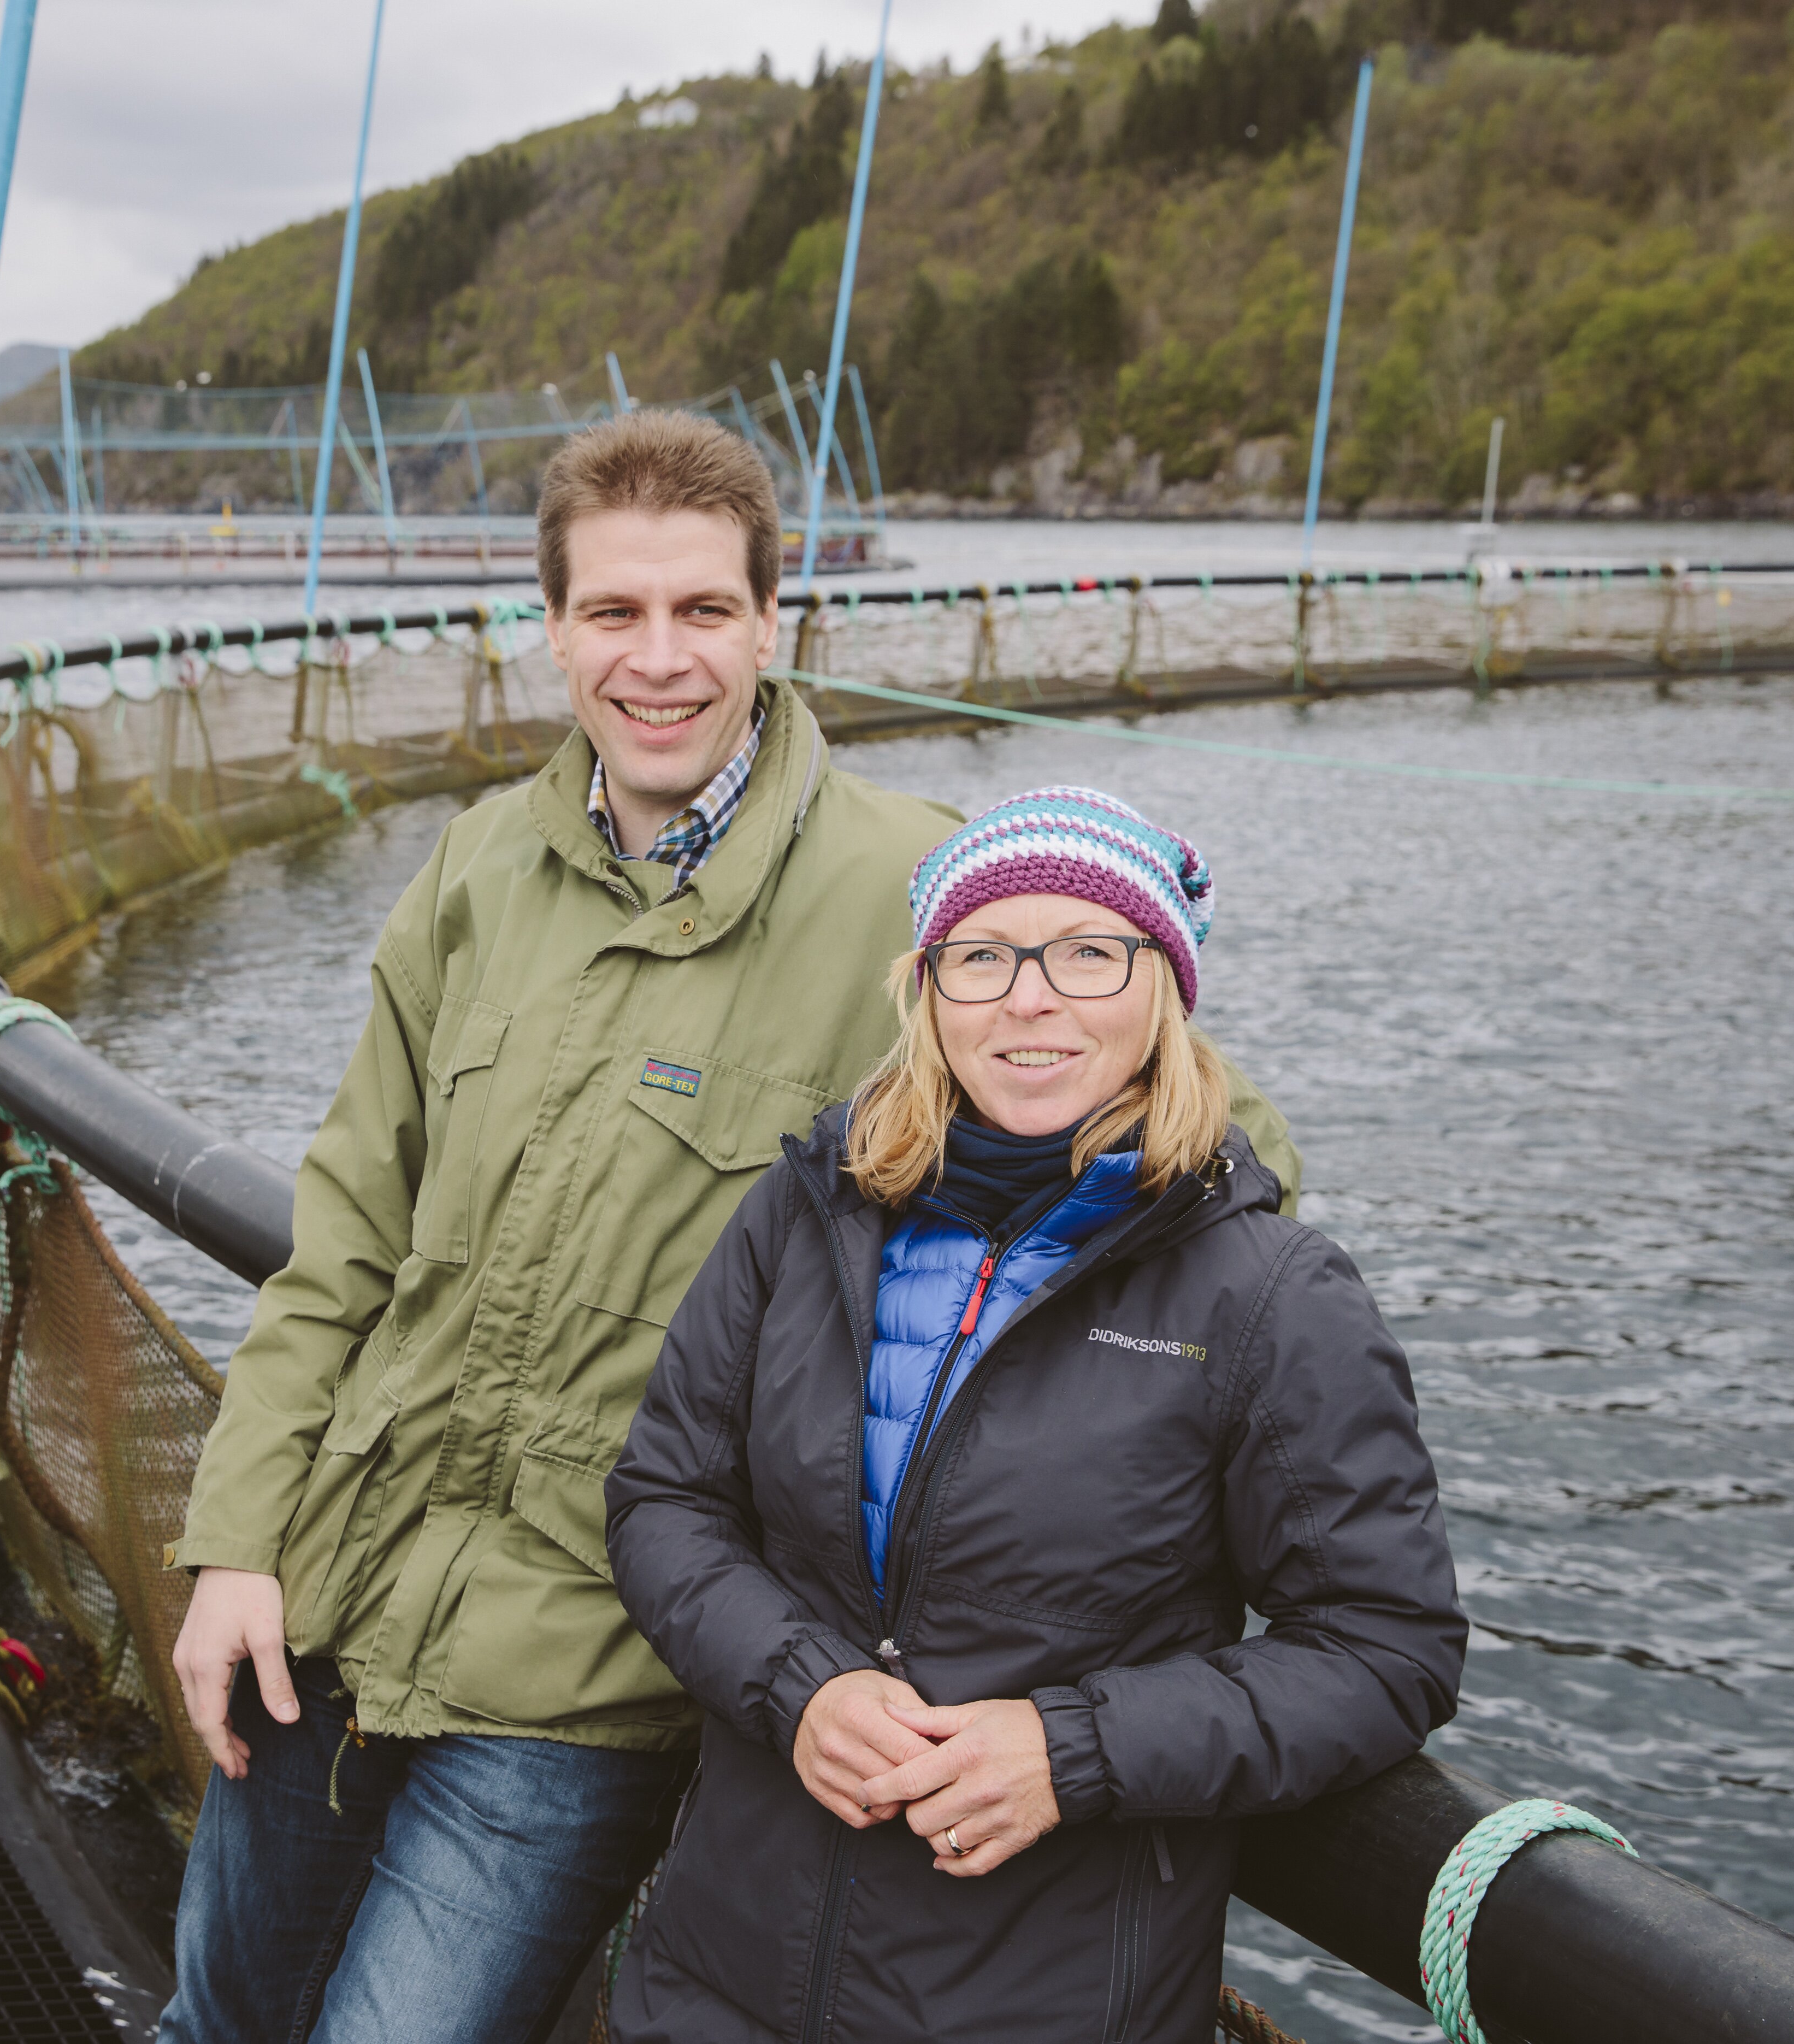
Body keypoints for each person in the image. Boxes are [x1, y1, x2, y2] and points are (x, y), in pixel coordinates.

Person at [156, 417, 1304, 2044]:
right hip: (331, 1596)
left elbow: (1212, 1141)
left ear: (775, 622)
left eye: (702, 610)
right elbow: (342, 1241)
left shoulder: (915, 894)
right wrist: (238, 1539)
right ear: (549, 630)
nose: (658, 659)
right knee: (213, 2017)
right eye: (612, 613)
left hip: (585, 1667)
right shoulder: (479, 866)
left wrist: (1016, 1536)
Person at [604, 787, 1466, 2043]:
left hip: (1043, 1995)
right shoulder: (805, 1214)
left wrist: (1073, 1749)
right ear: (930, 990)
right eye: (983, 954)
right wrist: (800, 1685)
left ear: (1161, 988)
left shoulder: (1271, 1293)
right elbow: (665, 1499)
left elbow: (1385, 1647)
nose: (1029, 994)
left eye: (1088, 951)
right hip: (721, 1970)